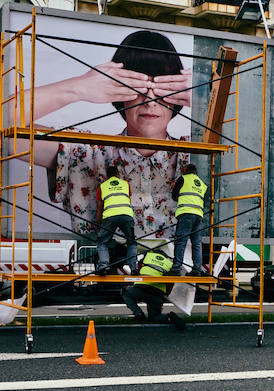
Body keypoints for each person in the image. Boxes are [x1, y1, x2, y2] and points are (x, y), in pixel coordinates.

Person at [13, 29, 192, 238]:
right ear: (117, 90)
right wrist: (78, 87)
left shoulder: (197, 157)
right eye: (138, 85)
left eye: (163, 87)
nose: (150, 101)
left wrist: (206, 95)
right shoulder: (85, 152)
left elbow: (239, 154)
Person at [122, 247, 186, 330]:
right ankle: (169, 317)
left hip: (141, 288)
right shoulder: (169, 264)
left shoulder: (148, 256)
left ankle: (139, 314)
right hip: (157, 294)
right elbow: (170, 283)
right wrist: (164, 296)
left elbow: (137, 271)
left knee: (125, 292)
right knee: (154, 317)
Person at [170, 164, 209, 275]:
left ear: (186, 170)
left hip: (186, 214)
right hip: (198, 216)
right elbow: (203, 201)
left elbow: (174, 196)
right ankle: (197, 269)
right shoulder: (202, 184)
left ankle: (176, 268)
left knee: (181, 241)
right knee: (196, 244)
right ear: (196, 172)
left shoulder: (183, 179)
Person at [95, 173, 137, 275]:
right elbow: (128, 200)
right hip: (126, 215)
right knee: (131, 242)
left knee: (102, 242)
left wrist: (99, 225)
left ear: (106, 176)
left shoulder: (103, 186)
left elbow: (99, 209)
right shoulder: (125, 184)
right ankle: (134, 268)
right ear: (118, 174)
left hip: (109, 216)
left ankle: (104, 266)